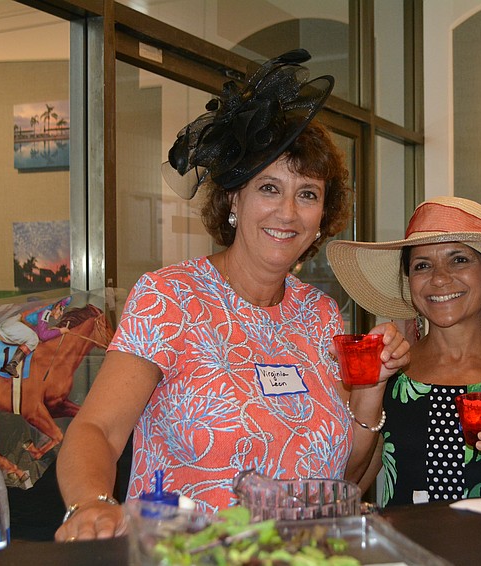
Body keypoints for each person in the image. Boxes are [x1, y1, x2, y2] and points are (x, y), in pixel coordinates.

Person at [55, 49, 409, 541]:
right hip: (186, 551)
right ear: (234, 200)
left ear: (322, 218)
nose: (288, 211)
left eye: (307, 193)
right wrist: (92, 504)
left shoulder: (322, 315)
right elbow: (96, 431)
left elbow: (343, 477)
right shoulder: (169, 298)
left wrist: (372, 386)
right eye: (269, 187)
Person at [327, 196, 481, 506]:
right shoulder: (388, 377)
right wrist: (368, 392)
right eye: (422, 265)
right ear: (410, 284)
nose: (439, 277)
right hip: (405, 553)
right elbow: (347, 488)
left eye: (459, 259)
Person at [0, 296, 71, 378]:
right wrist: (60, 331)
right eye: (61, 309)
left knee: (33, 338)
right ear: (57, 306)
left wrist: (51, 330)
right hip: (10, 326)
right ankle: (12, 365)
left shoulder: (45, 310)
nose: (61, 313)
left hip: (8, 326)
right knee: (33, 339)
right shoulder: (46, 311)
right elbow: (43, 336)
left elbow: (36, 331)